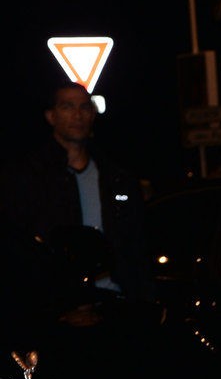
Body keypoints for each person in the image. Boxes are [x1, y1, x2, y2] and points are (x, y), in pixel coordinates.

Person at [0, 80, 150, 299]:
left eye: (84, 107)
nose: (77, 115)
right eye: (67, 107)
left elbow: (137, 244)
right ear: (51, 116)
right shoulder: (27, 176)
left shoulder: (116, 176)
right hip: (55, 306)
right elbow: (17, 246)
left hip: (115, 300)